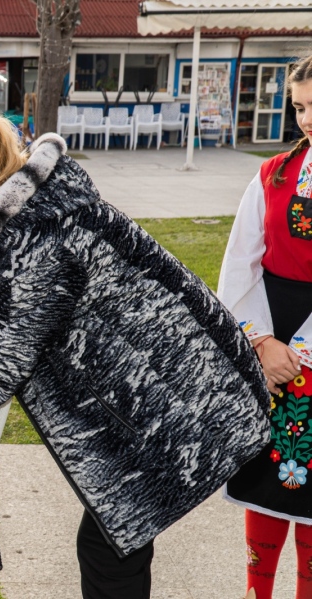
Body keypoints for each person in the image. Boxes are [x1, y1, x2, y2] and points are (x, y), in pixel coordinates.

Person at [0, 112, 270, 599]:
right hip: (175, 394)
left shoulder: (34, 244)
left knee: (110, 551)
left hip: (189, 402)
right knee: (113, 543)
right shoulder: (32, 219)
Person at [218, 54, 312, 599]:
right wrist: (261, 341)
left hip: (306, 347)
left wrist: (299, 351)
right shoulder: (273, 173)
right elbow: (239, 262)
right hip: (269, 335)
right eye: (299, 106)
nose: (306, 118)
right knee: (267, 480)